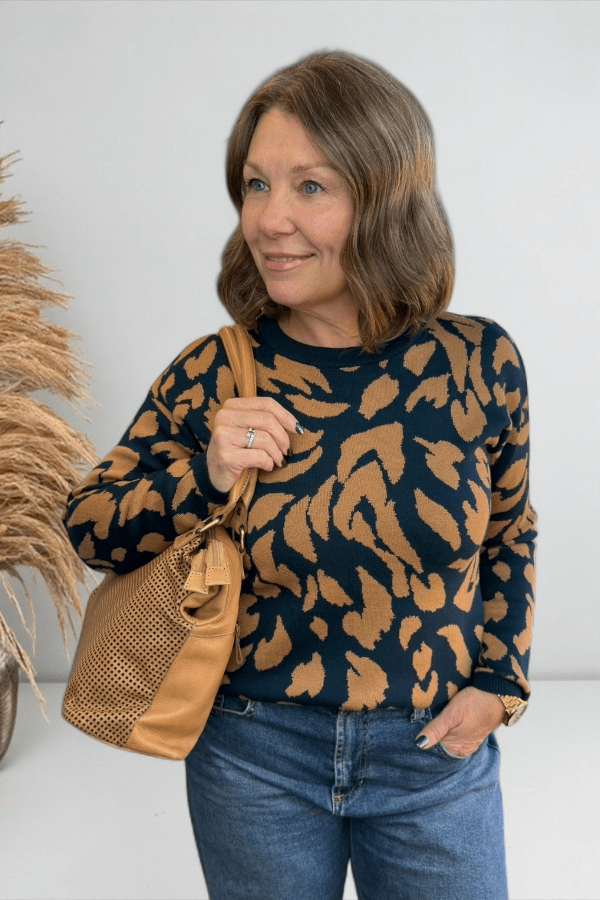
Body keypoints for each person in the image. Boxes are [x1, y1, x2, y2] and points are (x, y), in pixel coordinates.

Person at [63, 50, 536, 900]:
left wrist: (501, 683)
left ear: (387, 196)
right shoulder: (216, 370)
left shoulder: (478, 361)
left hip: (433, 752)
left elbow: (509, 531)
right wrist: (204, 473)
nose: (269, 219)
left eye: (311, 187)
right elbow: (90, 524)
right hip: (254, 754)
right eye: (254, 184)